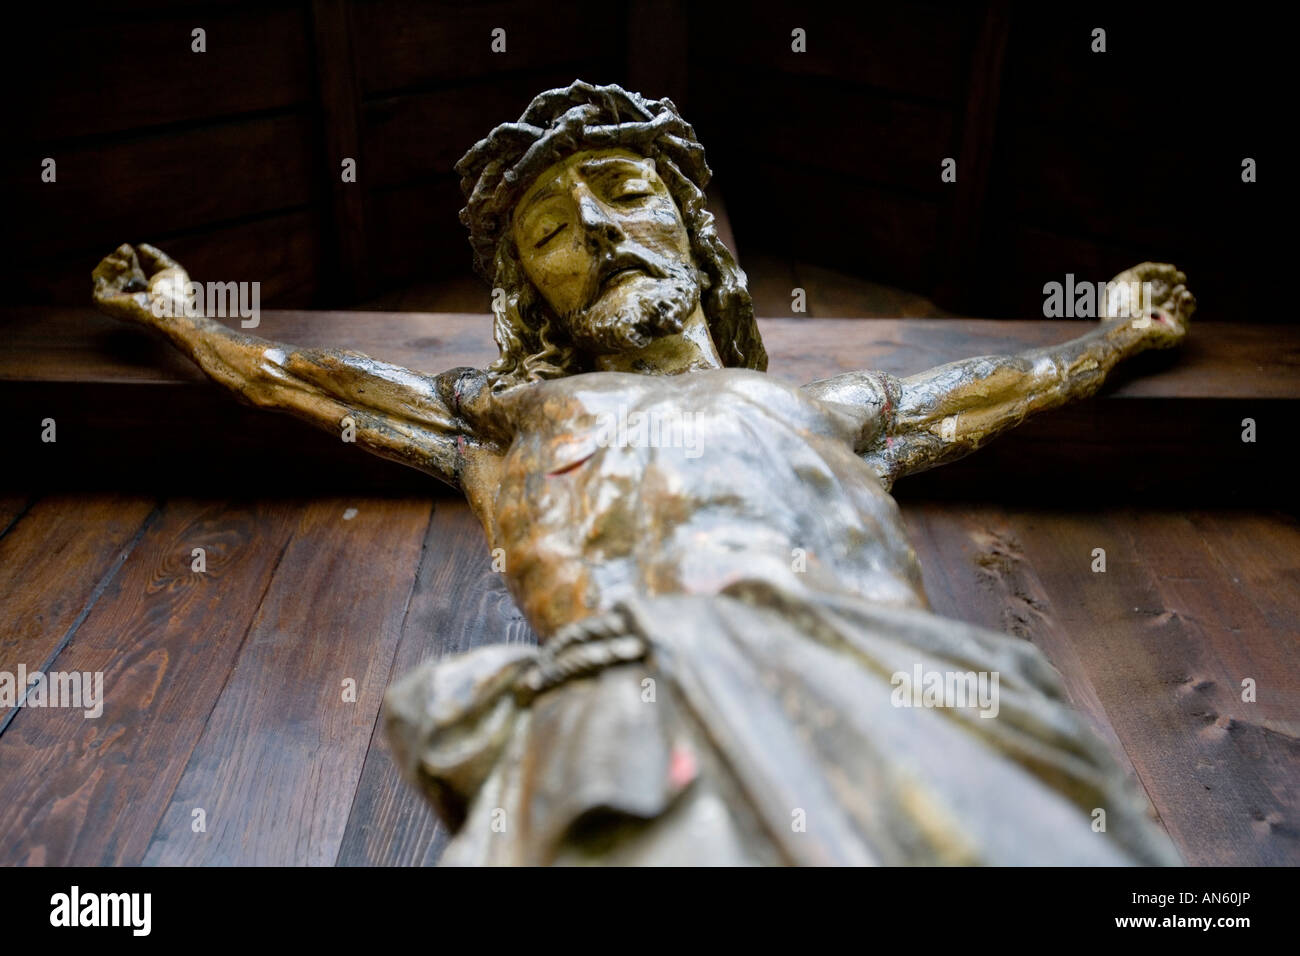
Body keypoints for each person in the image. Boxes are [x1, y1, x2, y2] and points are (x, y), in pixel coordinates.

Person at [92, 81, 1192, 865]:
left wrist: (1114, 343)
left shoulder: (835, 411)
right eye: (551, 230)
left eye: (623, 190)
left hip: (891, 693)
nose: (598, 231)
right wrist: (190, 322)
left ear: (694, 228)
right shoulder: (509, 418)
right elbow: (308, 382)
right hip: (635, 708)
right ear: (529, 290)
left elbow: (1005, 390)